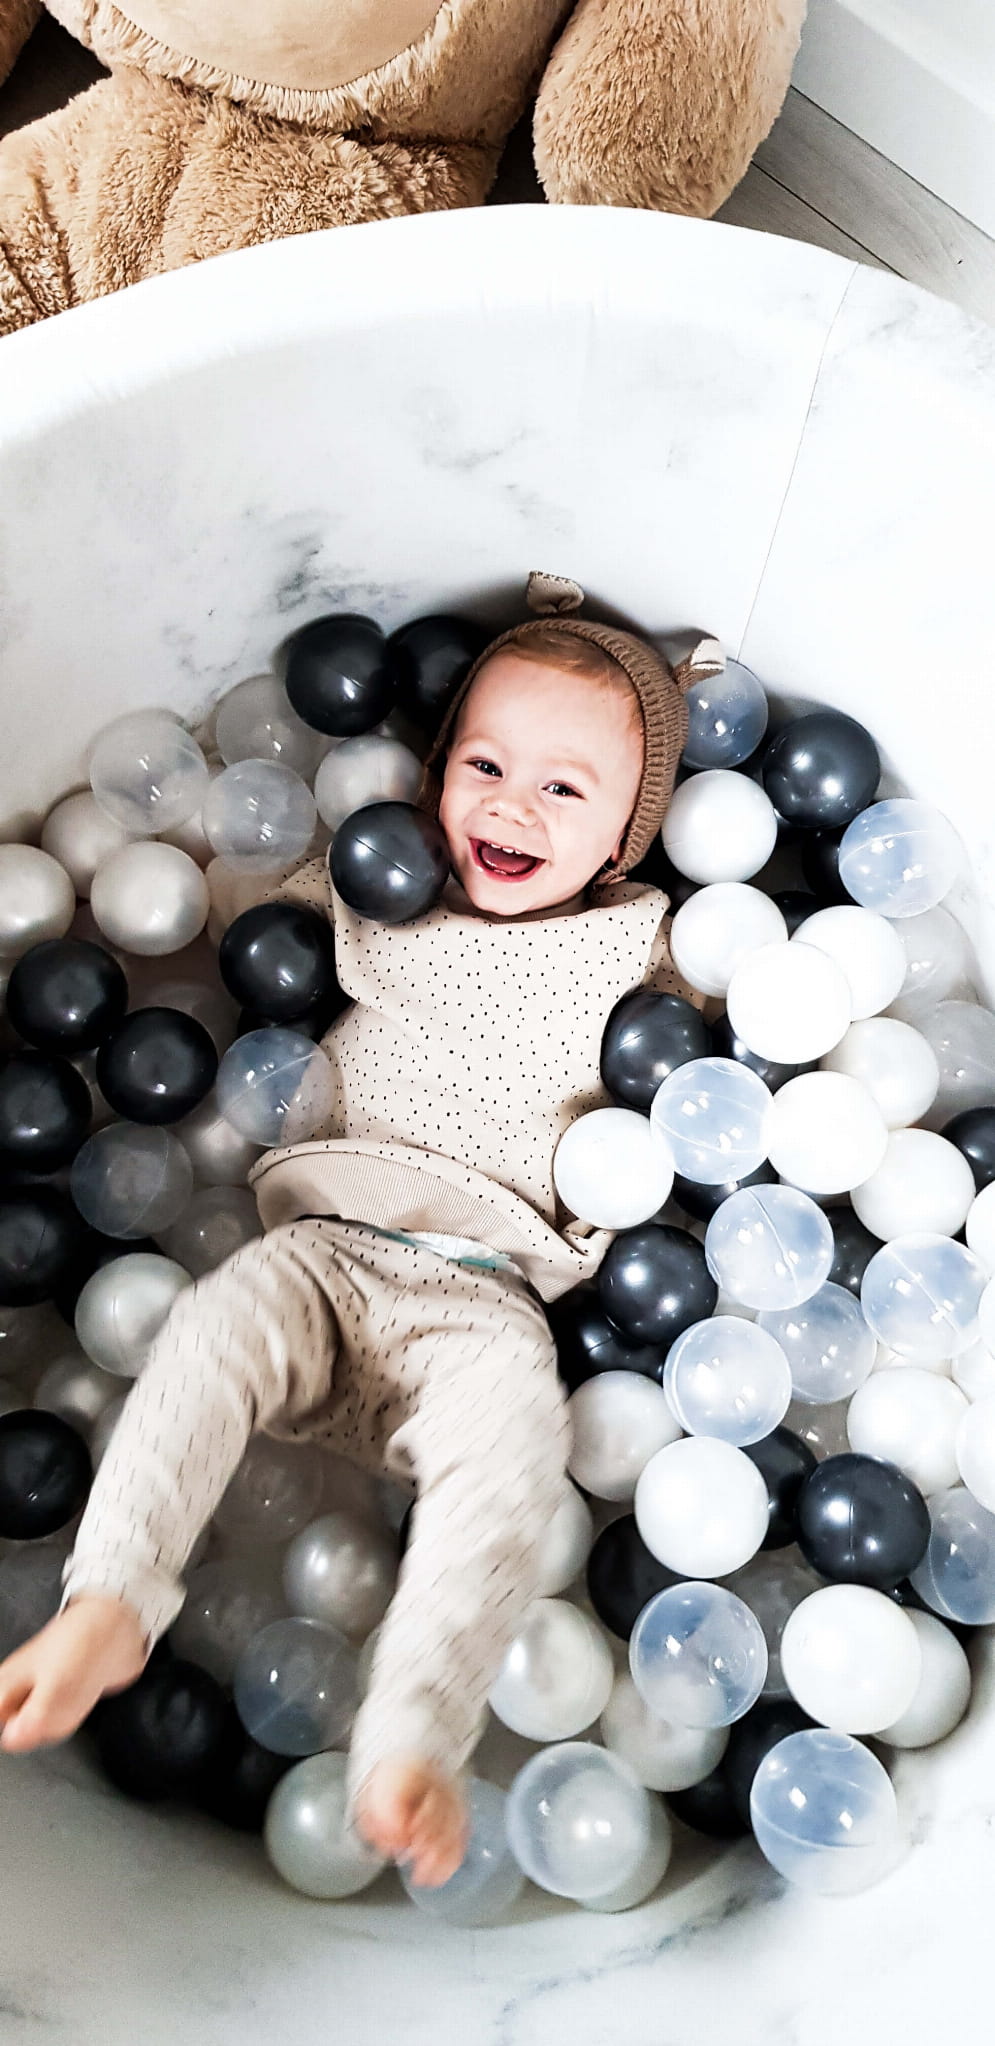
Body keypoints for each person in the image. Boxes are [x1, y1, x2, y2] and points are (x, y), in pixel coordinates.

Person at [0, 575, 717, 1886]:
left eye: (567, 790)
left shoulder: (640, 942)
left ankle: (412, 1736)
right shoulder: (381, 883)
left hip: (486, 1296)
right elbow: (236, 901)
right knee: (211, 1327)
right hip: (326, 1248)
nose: (512, 802)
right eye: (487, 764)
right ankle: (113, 1595)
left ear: (630, 836)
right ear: (437, 771)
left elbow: (716, 1047)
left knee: (513, 1447)